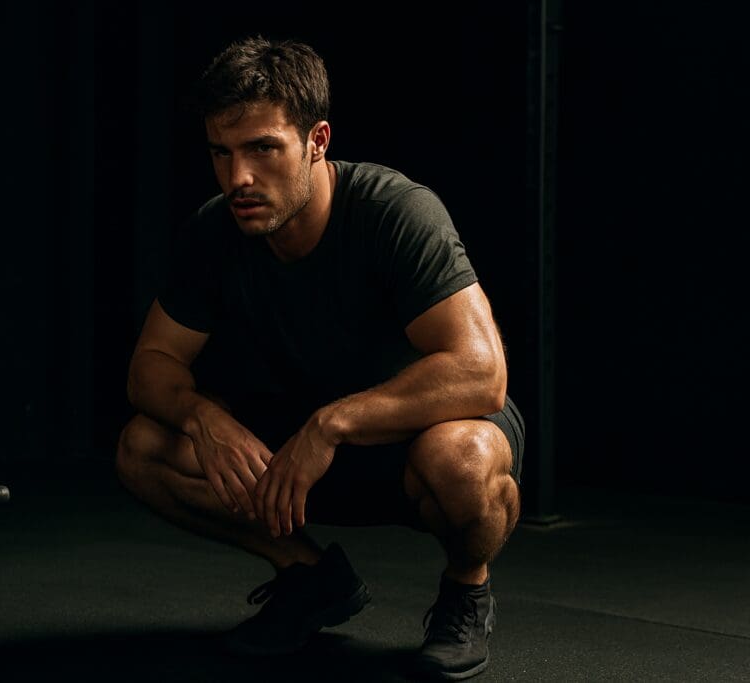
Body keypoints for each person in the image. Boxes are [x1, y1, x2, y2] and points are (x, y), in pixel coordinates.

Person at [115, 35, 524, 681]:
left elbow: (482, 372)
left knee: (464, 459)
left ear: (317, 139)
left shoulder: (394, 212)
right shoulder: (215, 230)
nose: (238, 178)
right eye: (222, 153)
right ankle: (309, 578)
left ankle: (466, 588)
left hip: (415, 441)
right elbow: (153, 363)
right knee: (144, 446)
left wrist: (332, 423)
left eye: (262, 149)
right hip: (301, 460)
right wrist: (200, 416)